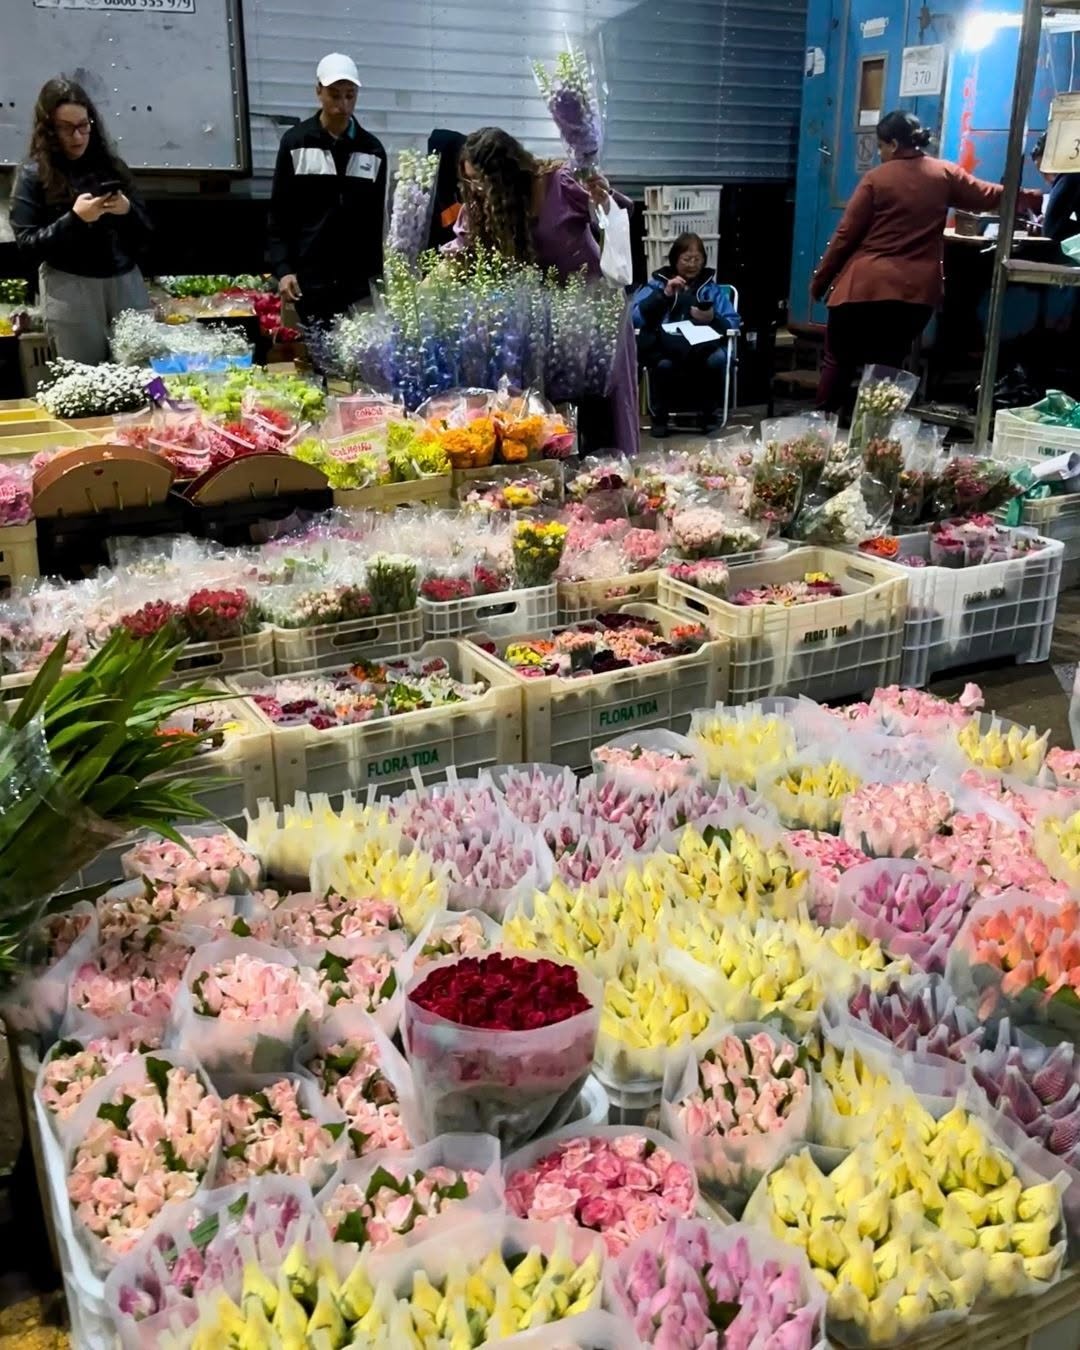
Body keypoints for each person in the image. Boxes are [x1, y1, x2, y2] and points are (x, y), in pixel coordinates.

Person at [811, 110, 1042, 413]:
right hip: (914, 295)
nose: (880, 154)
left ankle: (822, 428)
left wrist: (820, 282)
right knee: (888, 364)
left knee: (838, 359)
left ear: (893, 144)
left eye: (880, 146)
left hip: (863, 288)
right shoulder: (944, 173)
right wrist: (1033, 198)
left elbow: (845, 235)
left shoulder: (876, 179)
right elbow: (988, 195)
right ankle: (873, 437)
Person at [455, 126, 639, 457]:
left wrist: (602, 197)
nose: (477, 190)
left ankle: (615, 486)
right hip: (547, 328)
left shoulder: (559, 182)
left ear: (507, 173)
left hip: (596, 316)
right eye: (471, 182)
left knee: (606, 413)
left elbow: (614, 211)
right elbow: (462, 244)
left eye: (482, 181)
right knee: (548, 422)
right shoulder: (485, 206)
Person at [10, 77, 152, 364]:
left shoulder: (111, 166)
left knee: (143, 375)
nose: (77, 136)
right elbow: (27, 245)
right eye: (66, 128)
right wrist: (74, 219)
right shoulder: (32, 173)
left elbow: (147, 233)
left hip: (124, 280)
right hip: (69, 286)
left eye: (84, 125)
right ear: (48, 129)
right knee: (85, 377)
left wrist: (126, 210)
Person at [267, 52, 387, 327]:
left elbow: (376, 222)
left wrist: (377, 281)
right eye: (334, 95)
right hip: (308, 282)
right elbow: (279, 212)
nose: (343, 105)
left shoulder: (372, 149)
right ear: (318, 91)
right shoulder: (296, 143)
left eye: (350, 95)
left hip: (356, 285)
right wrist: (284, 269)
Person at [632, 232, 740, 436]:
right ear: (675, 259)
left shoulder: (712, 290)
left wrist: (712, 318)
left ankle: (709, 416)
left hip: (703, 348)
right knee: (661, 363)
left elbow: (733, 321)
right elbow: (635, 318)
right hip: (666, 347)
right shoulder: (657, 284)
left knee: (717, 358)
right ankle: (660, 419)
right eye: (686, 259)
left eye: (697, 259)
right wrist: (663, 296)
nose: (692, 264)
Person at [1031, 133, 1080, 245]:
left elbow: (1051, 232)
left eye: (1047, 173)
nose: (1048, 180)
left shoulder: (1071, 174)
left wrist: (1048, 221)